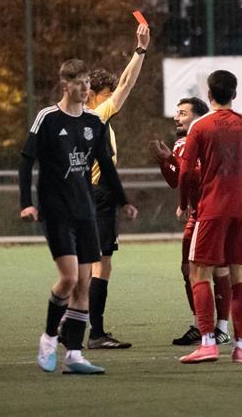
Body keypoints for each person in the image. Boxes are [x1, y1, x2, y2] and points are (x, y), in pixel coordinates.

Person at [21, 59, 137, 374]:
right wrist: (27, 202)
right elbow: (26, 160)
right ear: (66, 85)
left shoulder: (93, 122)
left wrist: (124, 200)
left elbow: (106, 164)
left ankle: (74, 354)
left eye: (87, 82)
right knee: (70, 278)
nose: (85, 88)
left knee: (84, 283)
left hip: (86, 209)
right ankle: (50, 337)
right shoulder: (49, 117)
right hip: (58, 210)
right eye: (79, 83)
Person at [177, 70, 242, 363]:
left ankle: (207, 343)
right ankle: (239, 346)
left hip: (212, 208)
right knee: (239, 275)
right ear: (234, 94)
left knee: (198, 271)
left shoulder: (201, 126)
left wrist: (185, 202)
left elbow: (185, 171)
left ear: (209, 94)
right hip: (241, 210)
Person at [84, 23, 150, 349]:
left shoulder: (71, 119)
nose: (112, 99)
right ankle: (95, 333)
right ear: (92, 95)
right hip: (99, 195)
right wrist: (140, 50)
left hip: (83, 195)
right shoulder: (95, 116)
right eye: (106, 94)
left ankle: (75, 327)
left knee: (87, 264)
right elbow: (126, 84)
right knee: (101, 264)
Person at [149, 97, 233, 345]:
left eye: (182, 113)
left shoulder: (208, 140)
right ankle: (199, 325)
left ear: (198, 117)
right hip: (197, 214)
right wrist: (164, 160)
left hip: (215, 212)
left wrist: (172, 161)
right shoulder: (179, 144)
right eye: (177, 113)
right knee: (188, 269)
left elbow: (201, 176)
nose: (176, 117)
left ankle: (222, 328)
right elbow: (176, 180)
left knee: (218, 268)